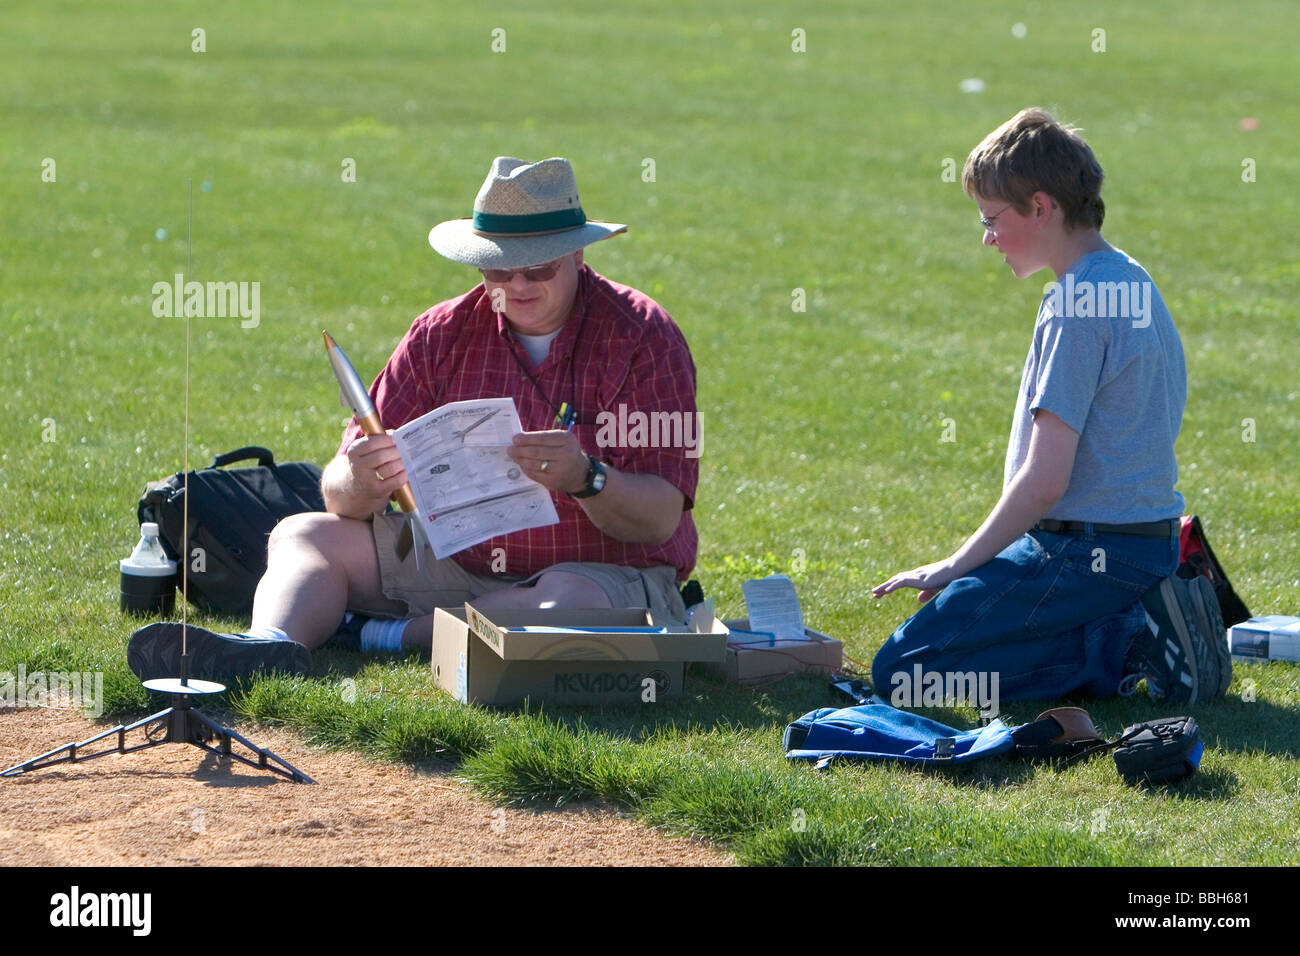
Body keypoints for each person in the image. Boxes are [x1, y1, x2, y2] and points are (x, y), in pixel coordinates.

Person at [129, 157, 699, 682]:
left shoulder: (644, 336)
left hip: (599, 572)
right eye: (498, 270)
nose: (517, 286)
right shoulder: (441, 333)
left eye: (538, 268)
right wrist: (362, 478)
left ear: (579, 254)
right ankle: (266, 646)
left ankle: (381, 634)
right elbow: (338, 498)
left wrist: (586, 477)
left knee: (565, 603)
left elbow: (659, 519)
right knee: (302, 534)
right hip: (455, 556)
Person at [871, 107, 1222, 707]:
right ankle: (1141, 624)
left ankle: (1130, 648)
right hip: (1148, 544)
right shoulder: (1131, 277)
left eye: (991, 219)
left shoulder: (1076, 303)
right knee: (953, 644)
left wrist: (955, 565)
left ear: (1041, 207)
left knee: (906, 671)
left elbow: (1045, 482)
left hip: (1087, 552)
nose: (986, 238)